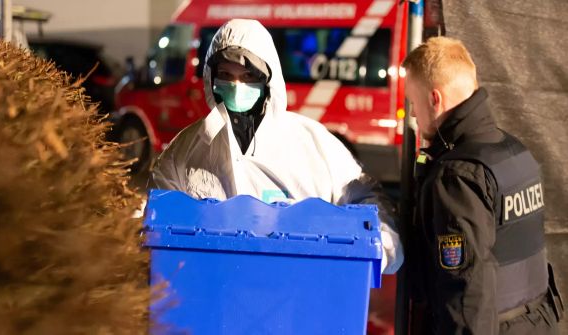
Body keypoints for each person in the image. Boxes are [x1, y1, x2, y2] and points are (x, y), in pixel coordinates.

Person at [149, 19, 403, 275]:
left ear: (267, 79)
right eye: (226, 75)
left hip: (293, 294)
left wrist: (376, 248)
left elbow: (366, 196)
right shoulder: (184, 151)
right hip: (216, 294)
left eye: (248, 76)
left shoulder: (312, 143)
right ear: (210, 78)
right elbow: (157, 222)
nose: (236, 86)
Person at [403, 36, 563, 334]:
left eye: (413, 102)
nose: (413, 114)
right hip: (539, 323)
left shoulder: (457, 177)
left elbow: (466, 295)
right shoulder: (514, 151)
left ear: (434, 99)